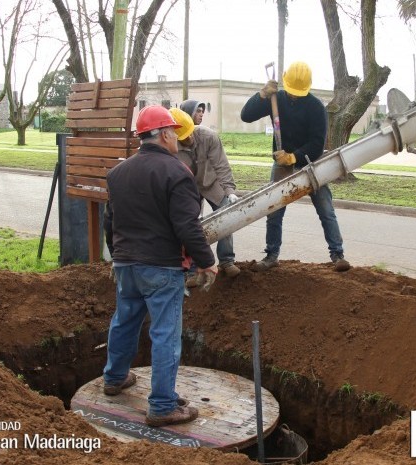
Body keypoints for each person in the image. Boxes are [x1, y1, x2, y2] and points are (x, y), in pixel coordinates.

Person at [102, 105, 217, 427]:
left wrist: (118, 256)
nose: (178, 141)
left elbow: (110, 221)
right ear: (165, 135)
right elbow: (187, 226)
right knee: (166, 333)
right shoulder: (177, 172)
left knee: (124, 321)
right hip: (162, 268)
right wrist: (207, 262)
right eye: (175, 134)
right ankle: (163, 405)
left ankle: (114, 379)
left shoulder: (118, 173)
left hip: (126, 264)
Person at [240, 61, 350, 272]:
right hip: (281, 167)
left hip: (310, 164)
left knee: (325, 209)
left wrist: (293, 157)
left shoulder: (316, 107)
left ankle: (337, 254)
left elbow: (317, 144)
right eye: (291, 92)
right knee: (274, 210)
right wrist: (262, 94)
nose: (294, 96)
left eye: (298, 93)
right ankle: (271, 255)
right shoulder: (275, 98)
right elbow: (246, 116)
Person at [169, 108, 241, 279]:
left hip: (211, 183)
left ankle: (227, 260)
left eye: (190, 133)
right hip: (188, 188)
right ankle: (193, 268)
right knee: (190, 224)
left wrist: (230, 191)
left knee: (225, 214)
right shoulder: (171, 147)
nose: (189, 138)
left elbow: (221, 165)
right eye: (183, 137)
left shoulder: (208, 136)